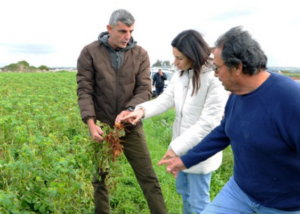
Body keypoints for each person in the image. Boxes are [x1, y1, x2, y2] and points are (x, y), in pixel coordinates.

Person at [158, 26, 300, 213]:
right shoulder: (237, 93)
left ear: (237, 67)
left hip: (284, 205)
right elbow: (223, 132)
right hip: (240, 192)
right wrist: (186, 160)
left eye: (217, 68)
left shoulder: (289, 99)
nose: (215, 74)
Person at [120, 29, 228, 214]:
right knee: (185, 194)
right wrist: (141, 110)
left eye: (179, 58)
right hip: (181, 149)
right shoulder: (181, 73)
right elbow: (165, 99)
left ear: (192, 55)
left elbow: (208, 123)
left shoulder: (213, 78)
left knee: (198, 202)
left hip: (199, 153)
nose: (175, 62)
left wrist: (175, 148)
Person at [76, 9, 167, 214]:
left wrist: (129, 110)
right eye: (123, 31)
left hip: (131, 124)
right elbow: (85, 89)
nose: (128, 36)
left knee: (148, 177)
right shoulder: (90, 52)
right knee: (100, 178)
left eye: (131, 31)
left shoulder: (140, 54)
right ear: (110, 29)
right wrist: (91, 124)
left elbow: (144, 89)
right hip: (102, 126)